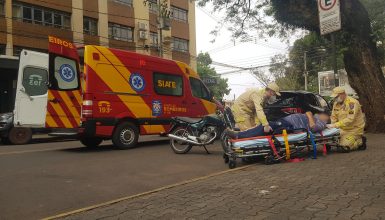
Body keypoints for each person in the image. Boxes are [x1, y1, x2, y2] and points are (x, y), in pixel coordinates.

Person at [226, 111, 330, 139]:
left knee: (265, 127)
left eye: (323, 115)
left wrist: (311, 120)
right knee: (264, 125)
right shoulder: (316, 117)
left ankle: (238, 135)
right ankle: (240, 133)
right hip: (286, 121)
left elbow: (312, 127)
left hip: (291, 126)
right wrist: (311, 117)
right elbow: (308, 112)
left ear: (326, 118)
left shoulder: (321, 124)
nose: (320, 114)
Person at [328, 87, 366, 151]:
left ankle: (360, 141)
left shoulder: (352, 103)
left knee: (344, 147)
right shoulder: (336, 104)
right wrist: (332, 127)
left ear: (343, 94)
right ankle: (345, 140)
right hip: (342, 129)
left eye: (336, 97)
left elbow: (350, 119)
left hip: (354, 130)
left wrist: (335, 125)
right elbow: (333, 117)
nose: (335, 99)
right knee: (333, 142)